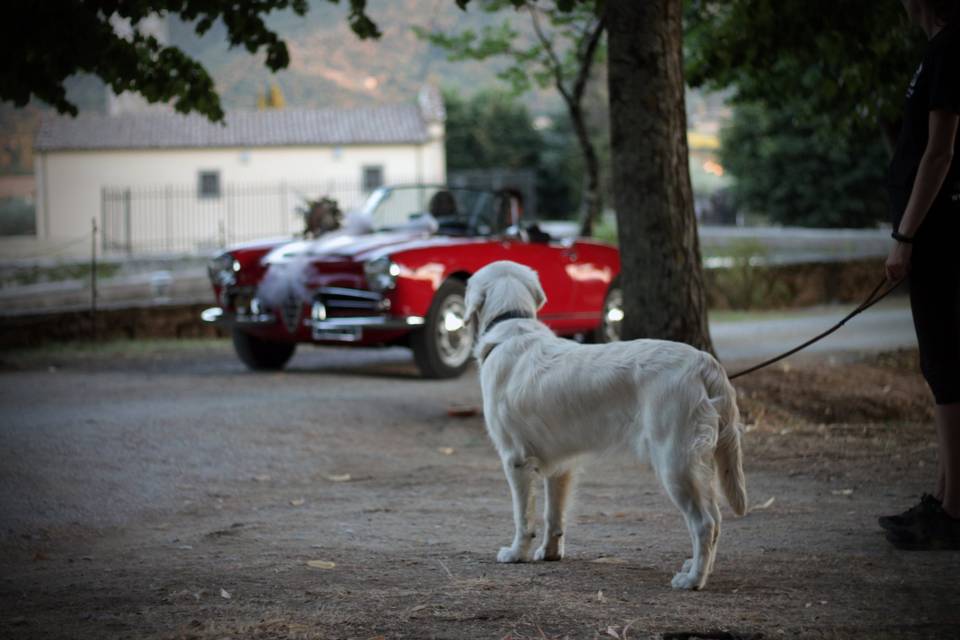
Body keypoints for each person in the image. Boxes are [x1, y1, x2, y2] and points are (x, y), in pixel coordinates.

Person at [880, 0, 960, 550]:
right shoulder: (944, 49)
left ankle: (953, 513)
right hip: (938, 231)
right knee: (944, 367)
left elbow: (939, 152)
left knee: (947, 366)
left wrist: (906, 236)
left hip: (941, 234)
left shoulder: (953, 47)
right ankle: (946, 497)